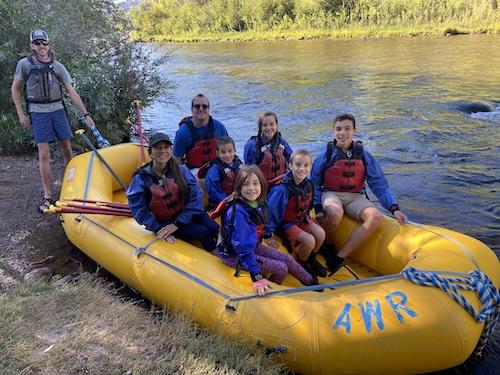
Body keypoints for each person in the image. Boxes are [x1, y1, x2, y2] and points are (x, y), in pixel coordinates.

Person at [11, 29, 95, 213]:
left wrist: (86, 114)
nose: (41, 46)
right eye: (37, 43)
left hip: (58, 110)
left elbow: (71, 92)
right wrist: (21, 113)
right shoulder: (24, 65)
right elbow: (15, 89)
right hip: (38, 112)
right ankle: (47, 195)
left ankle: (71, 186)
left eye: (44, 43)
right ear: (32, 46)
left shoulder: (58, 67)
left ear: (49, 45)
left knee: (67, 149)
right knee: (44, 155)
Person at [311, 113, 407, 274]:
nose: (342, 133)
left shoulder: (364, 155)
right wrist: (318, 207)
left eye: (347, 129)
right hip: (331, 193)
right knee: (334, 212)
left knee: (375, 217)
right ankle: (326, 246)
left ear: (354, 130)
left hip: (356, 196)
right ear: (333, 131)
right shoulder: (325, 156)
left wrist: (393, 208)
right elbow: (314, 184)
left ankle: (339, 256)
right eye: (338, 129)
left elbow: (379, 184)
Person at [216, 165, 317, 296]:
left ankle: (311, 283)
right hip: (234, 255)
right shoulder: (238, 212)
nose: (251, 188)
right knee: (282, 268)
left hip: (253, 246)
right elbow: (243, 247)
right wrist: (257, 277)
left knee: (287, 259)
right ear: (239, 187)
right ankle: (273, 291)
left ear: (261, 185)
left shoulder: (257, 202)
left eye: (255, 183)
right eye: (246, 184)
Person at [127, 132, 219, 252]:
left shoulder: (180, 169)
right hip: (166, 221)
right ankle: (215, 258)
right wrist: (159, 228)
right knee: (203, 232)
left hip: (187, 213)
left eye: (166, 147)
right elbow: (139, 210)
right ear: (150, 153)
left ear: (171, 150)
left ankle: (230, 253)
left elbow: (196, 195)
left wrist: (178, 222)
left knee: (215, 228)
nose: (162, 151)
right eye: (157, 148)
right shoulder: (141, 179)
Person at [265, 149, 327, 278]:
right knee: (310, 240)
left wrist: (311, 219)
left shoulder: (309, 184)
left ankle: (310, 258)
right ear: (290, 165)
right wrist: (267, 234)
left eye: (306, 166)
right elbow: (271, 212)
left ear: (310, 167)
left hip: (301, 219)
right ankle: (302, 263)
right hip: (286, 224)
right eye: (297, 165)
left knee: (321, 234)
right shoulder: (282, 189)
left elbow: (308, 205)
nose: (301, 169)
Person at [173, 94, 229, 178]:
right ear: (192, 109)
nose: (201, 109)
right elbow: (176, 160)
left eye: (204, 106)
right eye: (197, 106)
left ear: (209, 109)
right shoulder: (183, 133)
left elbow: (229, 150)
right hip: (193, 171)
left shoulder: (219, 127)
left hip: (217, 167)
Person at [243, 111, 293, 187]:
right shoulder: (252, 145)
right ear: (260, 128)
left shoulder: (282, 143)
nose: (269, 128)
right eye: (265, 125)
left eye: (271, 124)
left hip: (281, 182)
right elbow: (248, 170)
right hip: (262, 185)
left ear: (277, 125)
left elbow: (293, 161)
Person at [205, 136, 243, 209]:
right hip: (221, 203)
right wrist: (229, 198)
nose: (227, 155)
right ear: (217, 153)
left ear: (234, 151)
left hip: (238, 197)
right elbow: (214, 192)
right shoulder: (214, 170)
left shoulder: (239, 164)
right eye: (223, 152)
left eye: (230, 151)